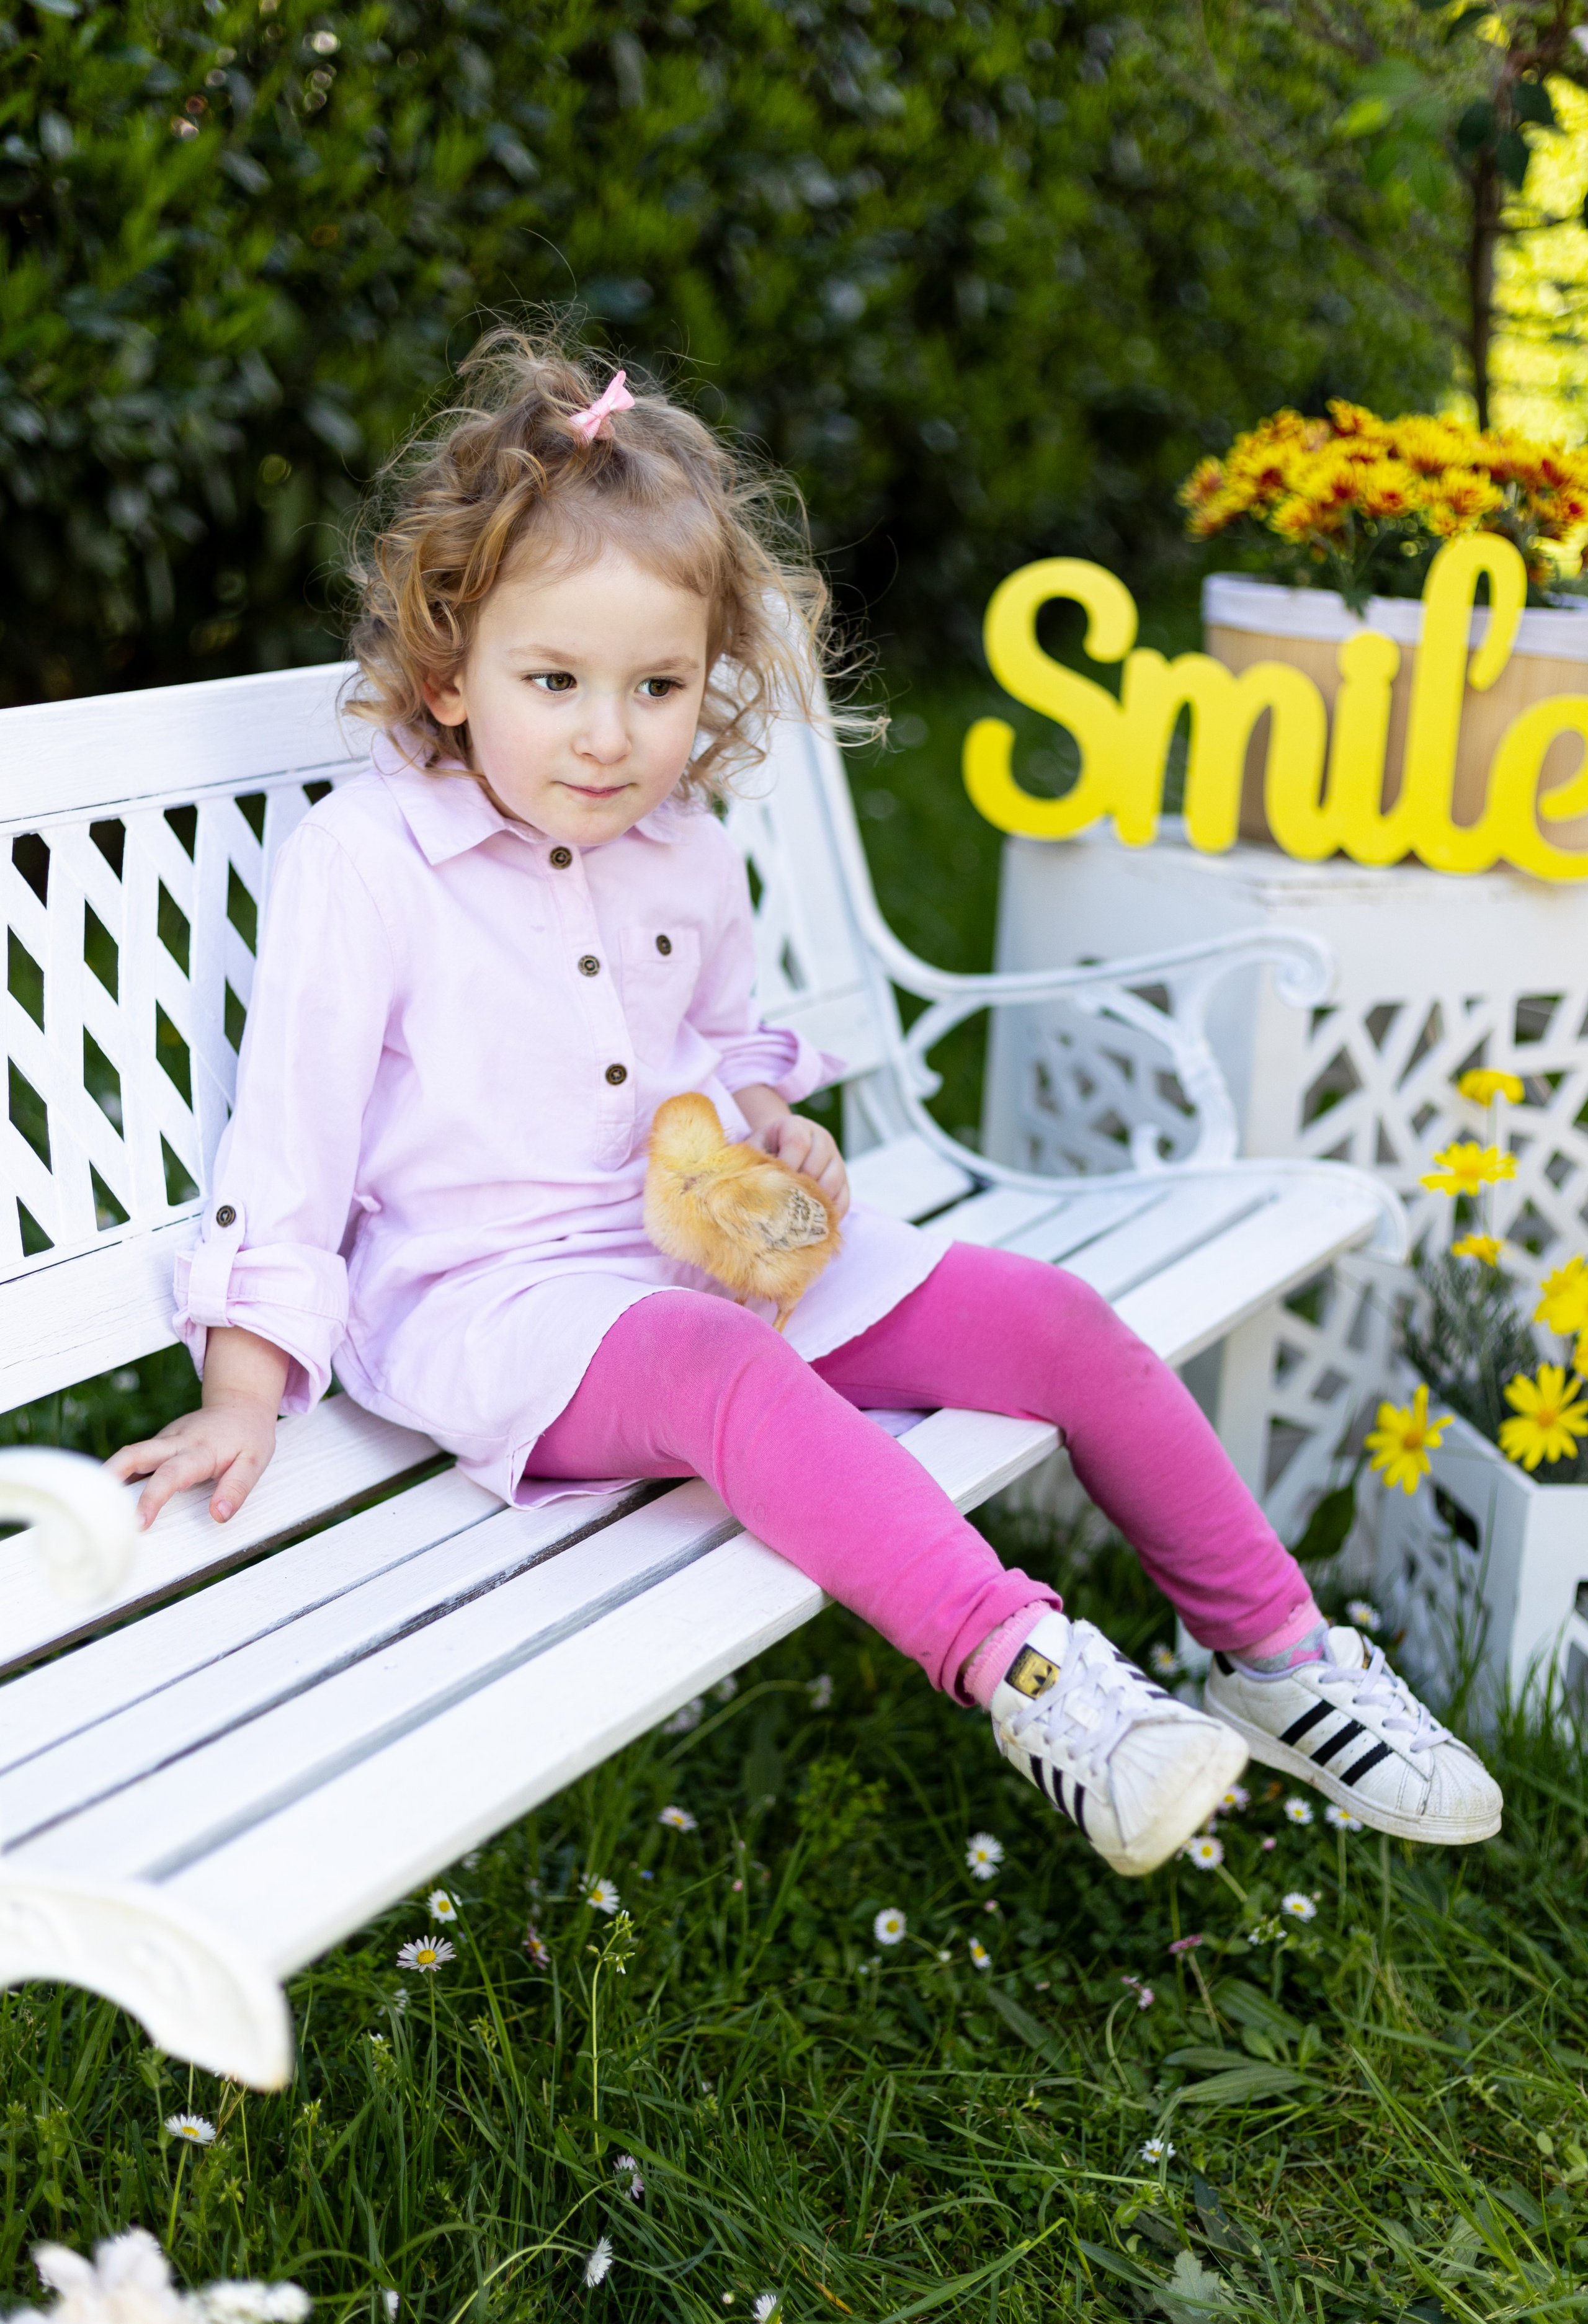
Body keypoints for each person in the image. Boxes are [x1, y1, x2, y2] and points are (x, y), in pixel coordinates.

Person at [108, 334, 1501, 1873]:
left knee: (1052, 1319)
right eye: (553, 682)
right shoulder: (367, 865)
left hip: (698, 1250)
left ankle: (1277, 1655)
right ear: (449, 672)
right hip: (498, 1305)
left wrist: (769, 1124)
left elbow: (720, 1042)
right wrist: (243, 1393)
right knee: (722, 1366)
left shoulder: (681, 846)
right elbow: (288, 1152)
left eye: (656, 687)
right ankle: (1038, 1681)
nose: (607, 736)